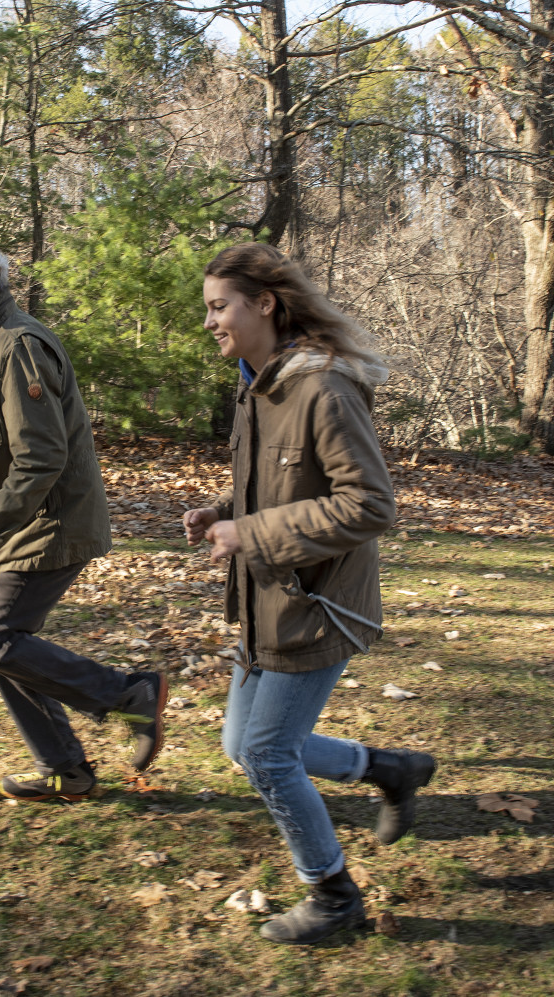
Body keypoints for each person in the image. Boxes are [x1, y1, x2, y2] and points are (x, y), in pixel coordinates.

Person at [183, 242, 436, 945]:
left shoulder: (322, 386)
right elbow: (281, 481)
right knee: (244, 743)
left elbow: (370, 504)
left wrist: (252, 531)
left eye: (219, 305)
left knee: (267, 755)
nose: (211, 321)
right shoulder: (257, 382)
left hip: (318, 604)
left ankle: (333, 894)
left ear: (264, 303)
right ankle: (389, 768)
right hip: (265, 601)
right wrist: (221, 510)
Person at [0, 220, 167, 802]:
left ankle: (127, 694)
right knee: (9, 644)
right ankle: (65, 770)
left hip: (51, 521)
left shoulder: (18, 345)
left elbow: (42, 457)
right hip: (24, 524)